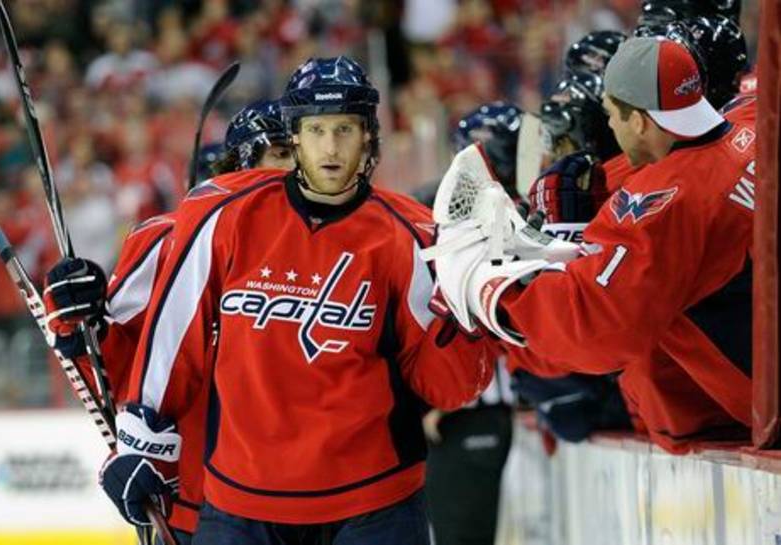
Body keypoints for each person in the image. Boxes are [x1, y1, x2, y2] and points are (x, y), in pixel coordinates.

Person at [99, 56, 494, 545]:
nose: (330, 147)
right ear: (295, 136)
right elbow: (174, 341)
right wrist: (139, 443)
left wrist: (468, 305)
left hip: (374, 503)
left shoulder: (411, 235)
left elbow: (449, 387)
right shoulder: (223, 215)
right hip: (241, 502)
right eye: (316, 130)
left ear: (367, 136)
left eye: (345, 129)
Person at [426, 37, 755, 453]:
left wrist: (495, 291)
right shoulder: (751, 123)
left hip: (762, 400)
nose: (611, 127)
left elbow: (596, 329)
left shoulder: (666, 203)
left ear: (640, 121)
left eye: (612, 114)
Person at [42, 98, 294, 545]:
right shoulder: (167, 239)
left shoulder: (343, 241)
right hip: (203, 508)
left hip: (322, 499)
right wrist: (80, 326)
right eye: (281, 153)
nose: (296, 169)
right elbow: (119, 369)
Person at [420, 102, 518, 545]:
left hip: (472, 411)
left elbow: (485, 316)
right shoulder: (486, 215)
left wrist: (448, 399)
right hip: (470, 409)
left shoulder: (489, 217)